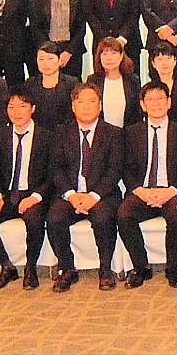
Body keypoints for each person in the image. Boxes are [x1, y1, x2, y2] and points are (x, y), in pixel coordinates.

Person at [45, 83, 124, 292]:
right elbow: (55, 168)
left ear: (100, 106)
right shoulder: (61, 132)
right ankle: (67, 268)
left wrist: (94, 196)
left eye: (92, 102)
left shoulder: (113, 133)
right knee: (54, 218)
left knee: (103, 217)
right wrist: (71, 195)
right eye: (80, 102)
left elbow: (115, 170)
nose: (86, 107)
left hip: (102, 194)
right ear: (73, 106)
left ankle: (105, 269)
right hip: (71, 193)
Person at [117, 81, 177, 289]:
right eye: (150, 100)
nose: (156, 104)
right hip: (143, 191)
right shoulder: (131, 132)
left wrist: (171, 191)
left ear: (169, 102)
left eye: (160, 99)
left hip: (172, 191)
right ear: (142, 105)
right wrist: (140, 190)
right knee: (124, 214)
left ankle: (172, 267)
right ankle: (141, 267)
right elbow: (126, 168)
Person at [0, 90, 52, 290]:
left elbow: (52, 174)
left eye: (22, 106)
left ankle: (30, 268)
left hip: (34, 194)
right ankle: (6, 266)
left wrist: (35, 196)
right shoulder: (1, 136)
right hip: (8, 195)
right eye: (12, 107)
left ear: (33, 109)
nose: (17, 112)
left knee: (34, 220)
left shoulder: (47, 136)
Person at [31, 0, 87, 80]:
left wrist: (68, 52)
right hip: (48, 51)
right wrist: (49, 52)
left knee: (72, 84)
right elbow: (36, 27)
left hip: (71, 52)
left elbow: (81, 28)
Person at [21, 41, 80, 131]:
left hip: (66, 132)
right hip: (37, 133)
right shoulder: (30, 84)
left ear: (59, 60)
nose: (45, 63)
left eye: (50, 58)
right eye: (41, 59)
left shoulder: (71, 83)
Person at [86, 37, 143, 128]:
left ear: (121, 56)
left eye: (113, 53)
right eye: (105, 54)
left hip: (127, 133)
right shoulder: (93, 81)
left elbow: (137, 114)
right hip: (101, 133)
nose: (109, 58)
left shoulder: (132, 80)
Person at [147, 44, 177, 126]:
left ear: (175, 61)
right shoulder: (149, 88)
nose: (164, 63)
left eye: (168, 58)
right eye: (160, 59)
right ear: (153, 64)